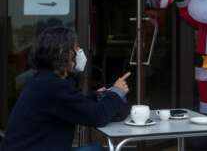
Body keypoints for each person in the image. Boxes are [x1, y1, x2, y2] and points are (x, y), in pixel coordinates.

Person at [1, 27, 130, 151]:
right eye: (76, 47)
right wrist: (117, 92)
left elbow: (70, 104)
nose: (80, 51)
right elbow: (98, 117)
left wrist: (95, 96)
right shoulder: (53, 86)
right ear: (64, 53)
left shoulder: (42, 80)